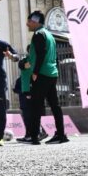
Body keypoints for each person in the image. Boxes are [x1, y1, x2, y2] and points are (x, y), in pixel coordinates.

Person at [25, 11, 68, 145]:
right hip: (52, 73)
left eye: (29, 21)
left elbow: (40, 53)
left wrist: (35, 72)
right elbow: (53, 55)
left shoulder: (38, 34)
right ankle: (61, 134)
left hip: (42, 73)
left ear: (36, 21)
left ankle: (34, 137)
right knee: (55, 105)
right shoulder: (50, 35)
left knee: (35, 105)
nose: (27, 24)